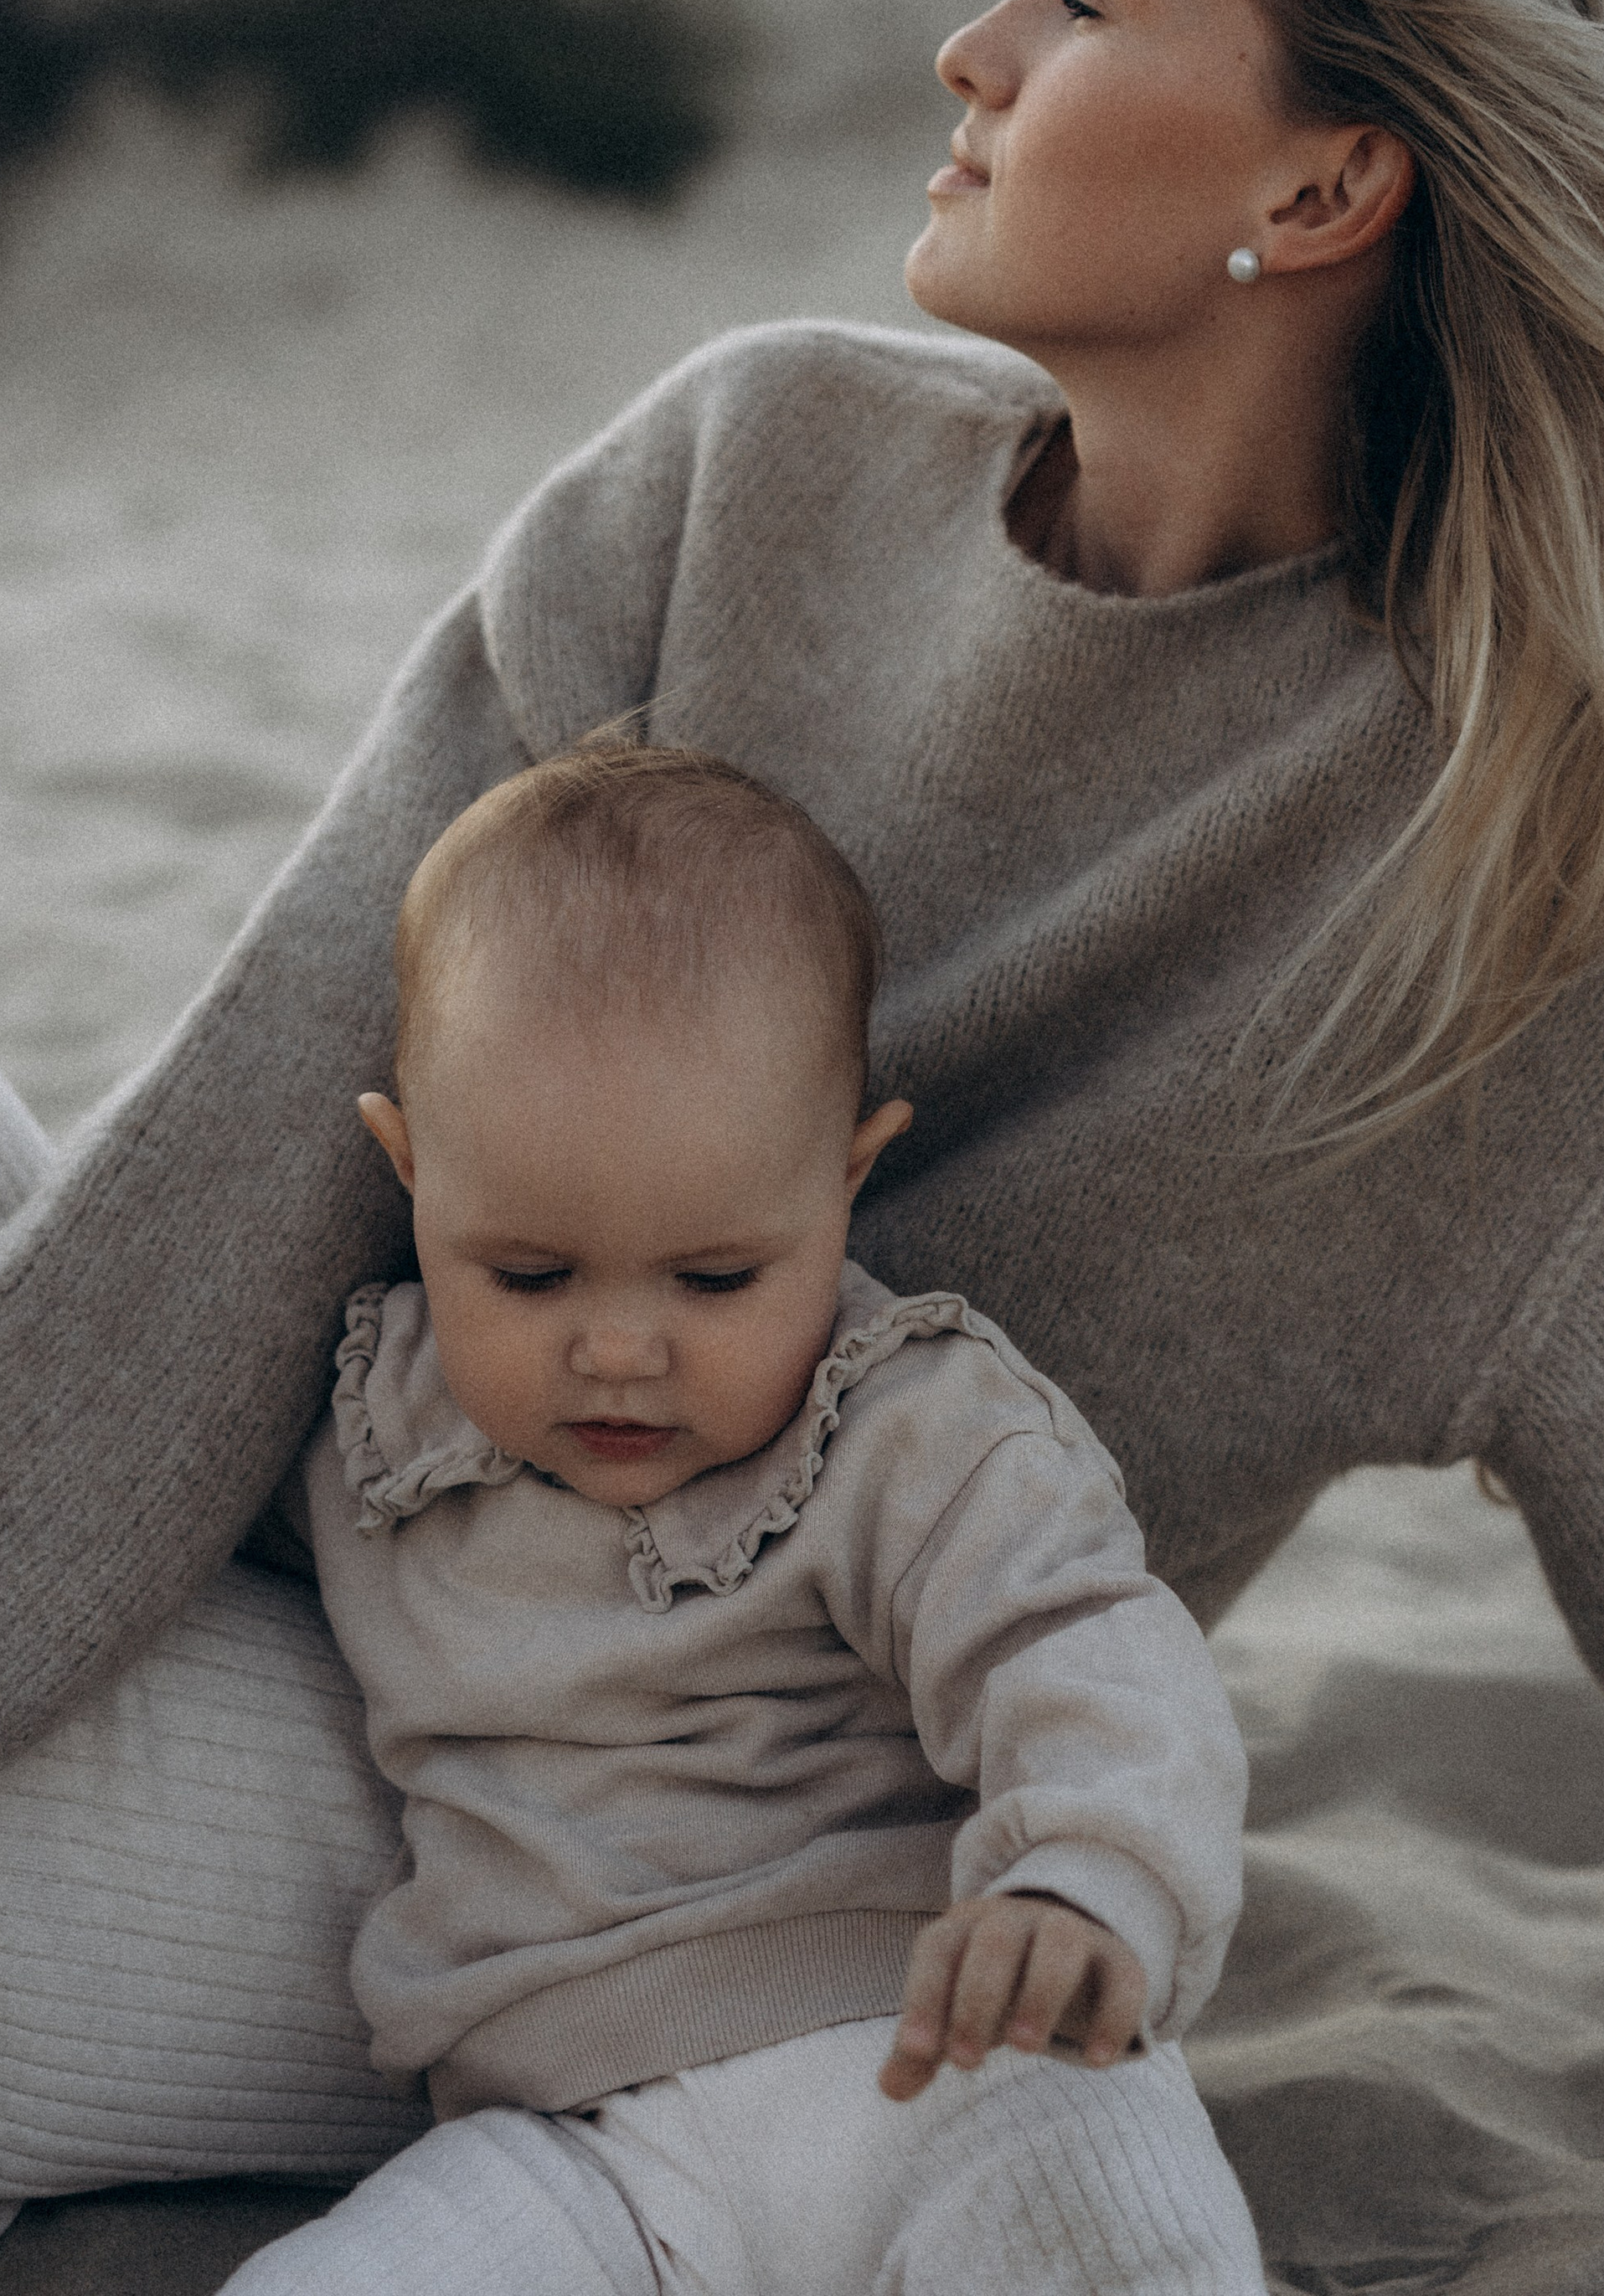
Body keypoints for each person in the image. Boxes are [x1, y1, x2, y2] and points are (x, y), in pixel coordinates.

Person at [0, 0, 1604, 2284]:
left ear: (1332, 179)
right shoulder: (755, 471)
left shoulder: (1567, 897)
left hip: (607, 1843)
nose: (979, 43)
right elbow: (268, 1115)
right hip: (257, 1468)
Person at [238, 742, 1263, 2294]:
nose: (620, 1348)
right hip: (572, 2144)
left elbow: (1090, 1647)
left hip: (942, 2057)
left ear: (845, 1185)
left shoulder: (909, 1432)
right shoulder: (371, 1436)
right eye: (528, 1274)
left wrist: (1082, 1877)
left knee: (1110, 2217)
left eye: (716, 1279)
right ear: (408, 1170)